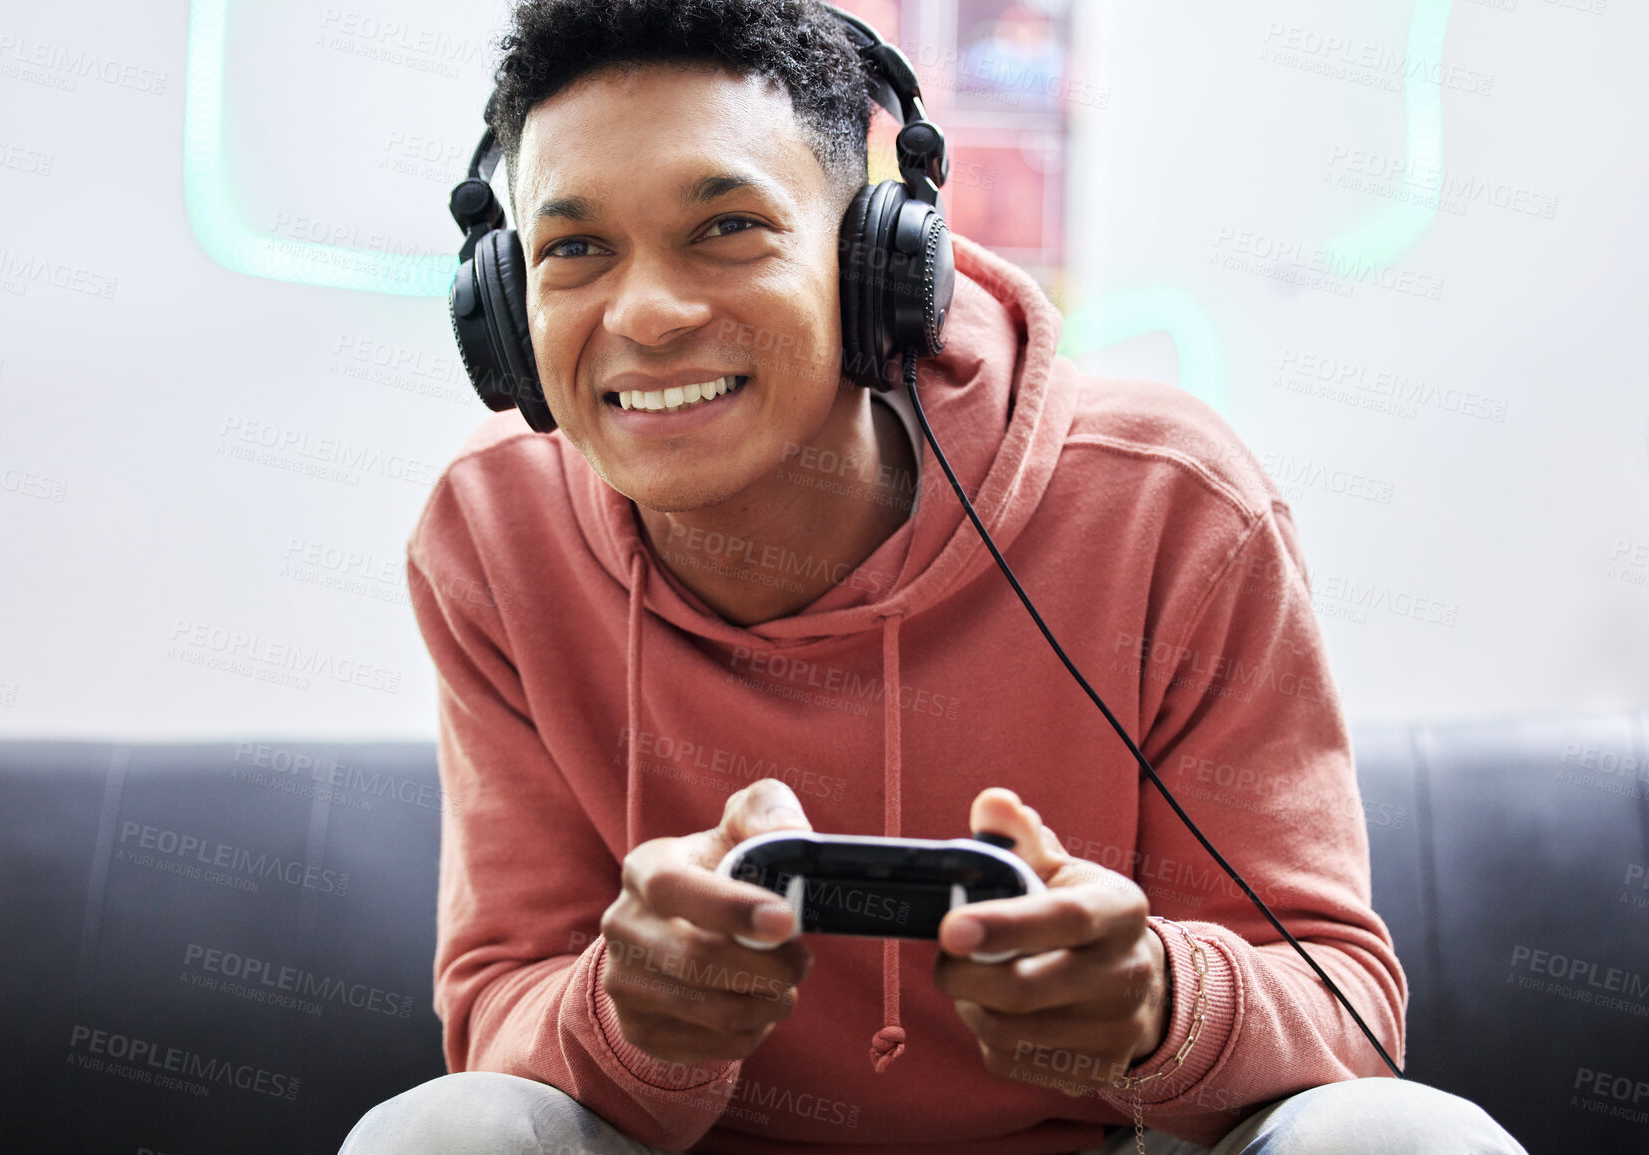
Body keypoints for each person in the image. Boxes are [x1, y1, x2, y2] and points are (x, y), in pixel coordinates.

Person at [342, 1, 1527, 1151]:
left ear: (878, 269)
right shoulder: (492, 529)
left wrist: (1166, 1003)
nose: (646, 313)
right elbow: (500, 1006)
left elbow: (1348, 1009)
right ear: (504, 309)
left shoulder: (1172, 504)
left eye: (727, 227)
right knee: (442, 1134)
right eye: (576, 249)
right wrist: (626, 1014)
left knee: (1407, 1138)